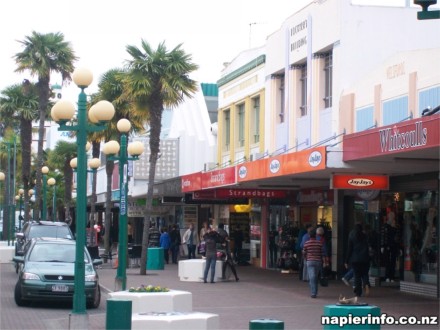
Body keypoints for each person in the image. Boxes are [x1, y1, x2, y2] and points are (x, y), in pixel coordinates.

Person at [345, 223, 370, 297]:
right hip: (365, 258)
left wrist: (346, 260)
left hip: (355, 259)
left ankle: (358, 292)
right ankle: (366, 284)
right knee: (365, 273)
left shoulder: (352, 236)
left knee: (357, 276)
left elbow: (349, 249)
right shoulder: (365, 236)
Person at [303, 228, 325, 298]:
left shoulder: (307, 243)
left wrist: (305, 258)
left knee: (312, 277)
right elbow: (322, 252)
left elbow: (304, 252)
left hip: (309, 261)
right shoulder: (319, 243)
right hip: (318, 261)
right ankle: (314, 291)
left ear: (309, 235)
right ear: (315, 235)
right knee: (315, 276)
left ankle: (313, 292)